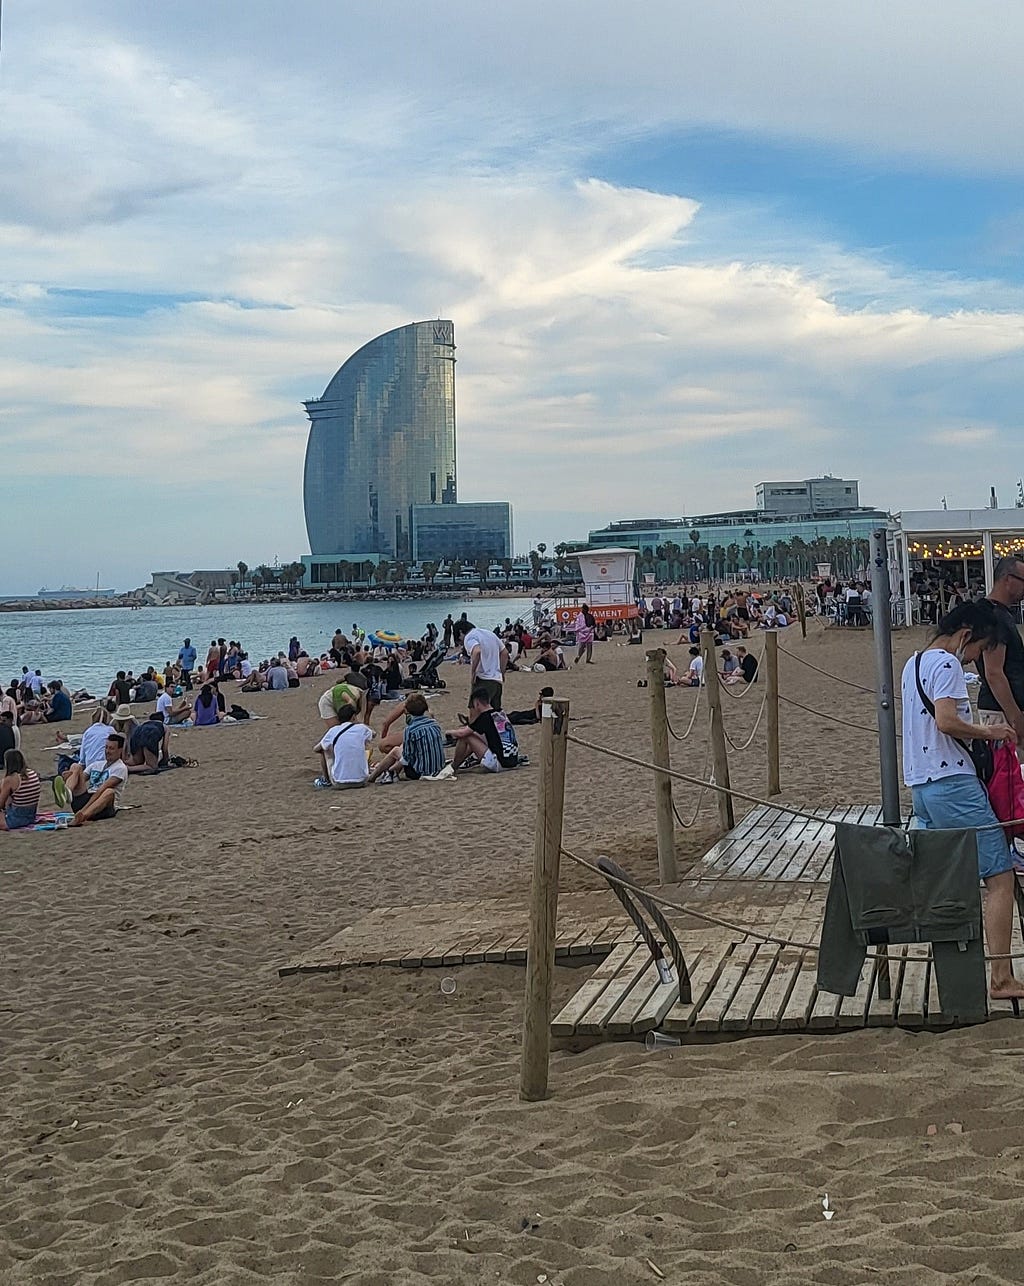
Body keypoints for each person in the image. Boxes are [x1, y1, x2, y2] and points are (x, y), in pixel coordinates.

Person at [900, 599, 1024, 999]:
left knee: (951, 880)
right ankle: (1001, 976)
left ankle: (955, 974)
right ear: (967, 636)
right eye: (976, 650)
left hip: (921, 786)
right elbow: (947, 721)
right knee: (999, 878)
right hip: (953, 782)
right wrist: (991, 732)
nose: (973, 661)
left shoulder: (912, 663)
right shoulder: (948, 664)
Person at [976, 555, 1024, 751]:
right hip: (1000, 710)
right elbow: (994, 672)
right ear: (1008, 579)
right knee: (1009, 776)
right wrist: (1016, 717)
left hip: (1003, 708)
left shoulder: (1000, 613)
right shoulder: (993, 615)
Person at [368, 693, 446, 782]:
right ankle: (389, 771)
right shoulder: (434, 724)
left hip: (419, 772)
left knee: (396, 750)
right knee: (404, 747)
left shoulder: (410, 730)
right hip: (438, 767)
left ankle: (373, 777)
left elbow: (407, 757)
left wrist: (392, 768)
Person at [62, 733, 129, 825]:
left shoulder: (120, 768)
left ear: (120, 750)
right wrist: (69, 777)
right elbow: (81, 778)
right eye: (106, 747)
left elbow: (100, 791)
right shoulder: (97, 764)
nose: (107, 751)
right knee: (75, 766)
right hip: (86, 799)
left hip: (103, 807)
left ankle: (83, 817)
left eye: (111, 748)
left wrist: (84, 810)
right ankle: (66, 792)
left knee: (109, 791)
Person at [448, 687, 520, 772]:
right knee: (474, 736)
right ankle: (457, 764)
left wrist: (449, 732)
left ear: (477, 703)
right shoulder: (500, 713)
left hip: (500, 763)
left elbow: (462, 734)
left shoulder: (484, 717)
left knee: (466, 737)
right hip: (512, 760)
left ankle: (453, 767)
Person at [317, 704, 374, 788]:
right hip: (362, 781)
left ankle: (326, 781)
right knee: (365, 745)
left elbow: (317, 748)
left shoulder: (333, 730)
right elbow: (374, 734)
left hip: (339, 783)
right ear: (354, 717)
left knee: (325, 750)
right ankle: (360, 770)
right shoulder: (361, 728)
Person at [457, 621, 508, 710]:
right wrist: (501, 672)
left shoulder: (469, 637)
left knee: (475, 711)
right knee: (495, 714)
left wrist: (473, 672)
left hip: (483, 679)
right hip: (497, 680)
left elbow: (477, 651)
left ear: (460, 632)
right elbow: (504, 652)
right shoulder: (489, 634)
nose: (460, 640)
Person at [0, 749, 41, 830]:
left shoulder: (11, 779)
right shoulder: (32, 772)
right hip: (31, 815)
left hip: (16, 818)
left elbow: (1, 804)